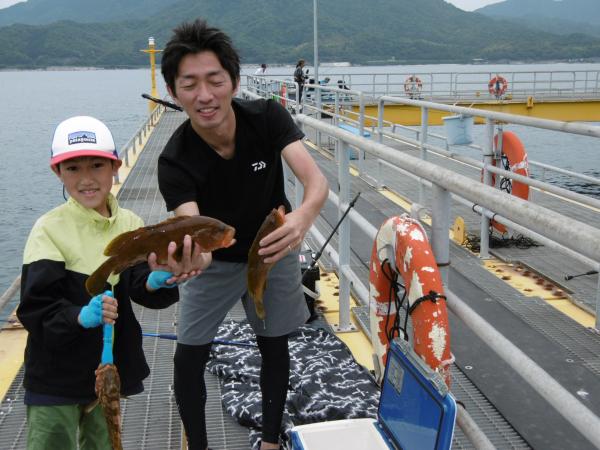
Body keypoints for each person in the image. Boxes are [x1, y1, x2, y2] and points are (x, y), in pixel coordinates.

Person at [157, 19, 329, 450]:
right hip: (216, 263)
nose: (204, 95)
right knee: (188, 355)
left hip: (274, 249)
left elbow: (315, 183)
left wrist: (301, 220)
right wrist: (194, 260)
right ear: (174, 92)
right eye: (190, 84)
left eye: (215, 80)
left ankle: (270, 440)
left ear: (233, 81)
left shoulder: (267, 116)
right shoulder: (174, 159)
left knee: (274, 344)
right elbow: (195, 228)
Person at [16, 115, 204, 450]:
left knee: (105, 444)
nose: (87, 179)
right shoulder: (48, 230)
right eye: (73, 169)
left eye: (97, 166)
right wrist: (79, 316)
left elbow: (136, 283)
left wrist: (158, 281)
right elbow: (36, 310)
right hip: (54, 376)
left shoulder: (130, 223)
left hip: (109, 370)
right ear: (56, 172)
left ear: (115, 167)